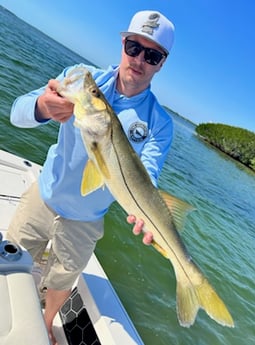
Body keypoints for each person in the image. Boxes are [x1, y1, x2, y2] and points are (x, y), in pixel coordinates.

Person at [7, 10, 175, 345]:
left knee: (60, 280)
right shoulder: (81, 80)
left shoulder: (159, 124)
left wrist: (151, 215)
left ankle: (46, 320)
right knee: (11, 257)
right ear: (122, 44)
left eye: (152, 54)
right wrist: (42, 106)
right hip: (44, 195)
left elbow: (148, 176)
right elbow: (17, 112)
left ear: (161, 63)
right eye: (133, 46)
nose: (139, 59)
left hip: (86, 221)